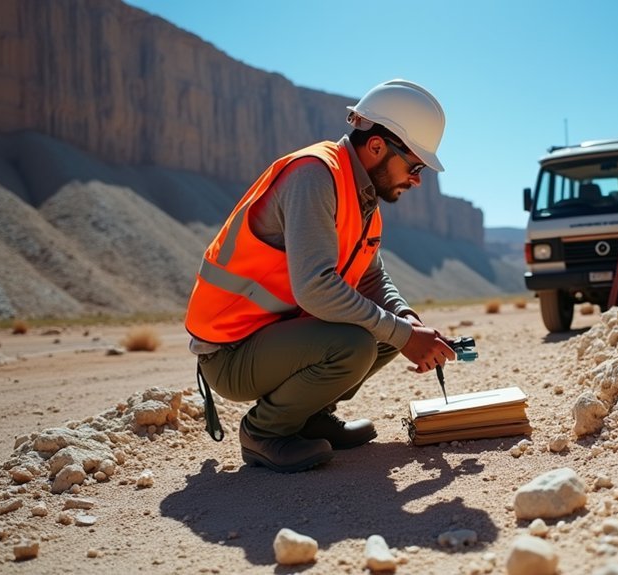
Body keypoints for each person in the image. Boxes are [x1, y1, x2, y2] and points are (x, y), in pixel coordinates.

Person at [184, 79, 456, 473]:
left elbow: (371, 279)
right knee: (357, 343)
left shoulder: (362, 201)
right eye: (414, 166)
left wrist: (408, 321)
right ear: (377, 146)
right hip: (230, 352)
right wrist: (402, 334)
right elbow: (314, 289)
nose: (417, 179)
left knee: (387, 332)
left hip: (274, 340)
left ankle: (308, 418)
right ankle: (264, 433)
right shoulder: (315, 175)